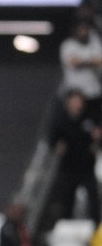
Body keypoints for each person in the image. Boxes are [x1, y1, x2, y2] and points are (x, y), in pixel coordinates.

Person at [49, 89, 102, 226]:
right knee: (67, 200)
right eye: (75, 102)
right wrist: (58, 146)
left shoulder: (88, 120)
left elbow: (96, 137)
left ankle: (97, 228)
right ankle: (65, 227)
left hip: (87, 167)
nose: (78, 105)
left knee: (94, 201)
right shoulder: (61, 121)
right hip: (69, 168)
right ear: (68, 103)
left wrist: (97, 141)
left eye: (80, 102)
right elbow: (52, 140)